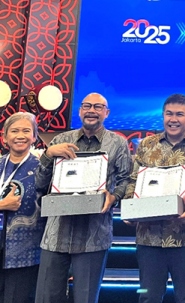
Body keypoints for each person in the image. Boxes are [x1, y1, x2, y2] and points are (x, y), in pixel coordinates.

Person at [34, 93, 132, 303]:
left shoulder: (118, 143)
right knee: (46, 298)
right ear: (79, 111)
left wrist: (114, 196)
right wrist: (48, 155)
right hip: (56, 234)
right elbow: (40, 184)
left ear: (106, 113)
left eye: (98, 107)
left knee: (85, 299)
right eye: (87, 106)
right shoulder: (61, 140)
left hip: (93, 236)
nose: (91, 111)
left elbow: (126, 180)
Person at [124, 93, 185, 303]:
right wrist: (130, 209)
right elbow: (133, 181)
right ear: (163, 115)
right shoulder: (146, 146)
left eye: (179, 114)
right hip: (149, 237)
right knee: (148, 297)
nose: (173, 119)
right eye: (169, 114)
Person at [0, 112, 46, 303]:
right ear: (5, 137)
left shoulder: (43, 169)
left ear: (34, 137)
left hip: (25, 252)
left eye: (26, 131)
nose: (20, 135)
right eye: (14, 131)